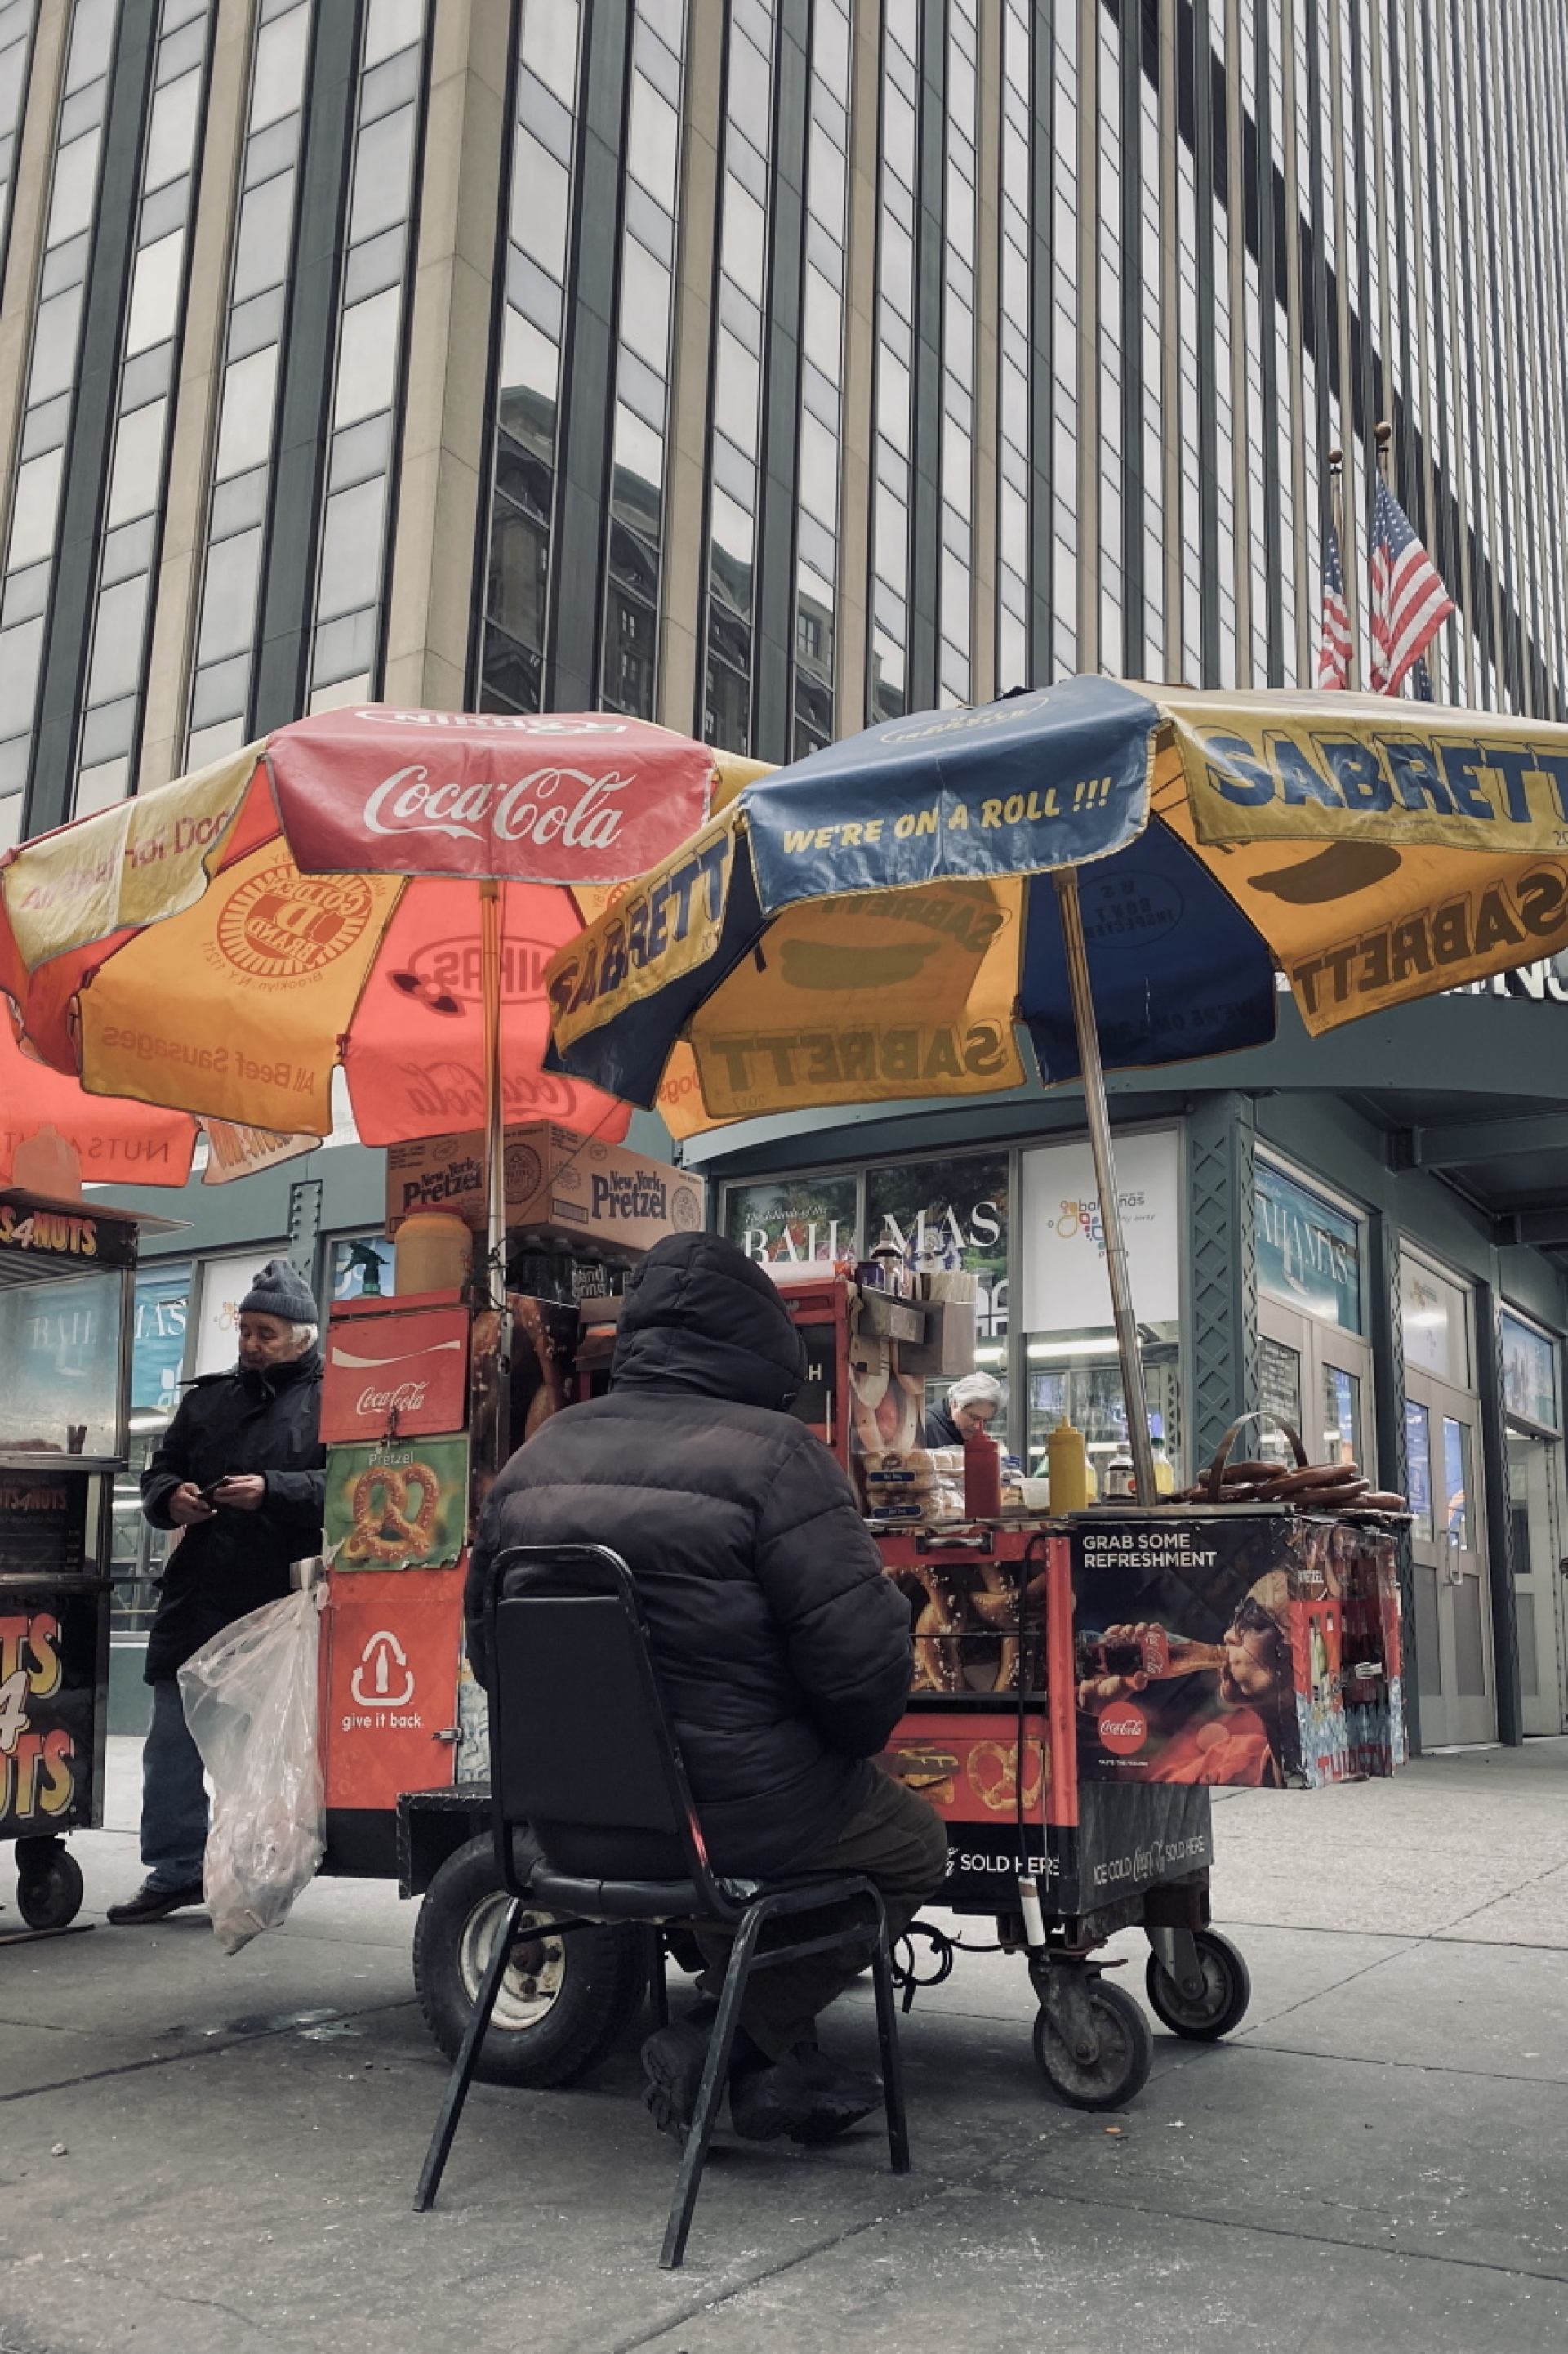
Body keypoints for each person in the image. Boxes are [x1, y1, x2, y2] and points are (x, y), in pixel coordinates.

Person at [466, 1230, 948, 2146]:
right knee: (912, 1841)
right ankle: (721, 2038)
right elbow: (863, 1684)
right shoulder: (779, 1457)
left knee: (759, 1829)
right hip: (732, 1819)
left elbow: (494, 1662)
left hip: (561, 1828)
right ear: (764, 1346)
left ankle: (776, 2078)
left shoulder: (531, 1465)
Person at [107, 1260, 327, 1926]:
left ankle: (262, 1872)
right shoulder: (207, 1399)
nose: (251, 1343)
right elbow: (161, 1468)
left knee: (260, 1753)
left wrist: (274, 1491)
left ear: (302, 1335)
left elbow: (353, 1485)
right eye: (246, 1330)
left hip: (274, 1604)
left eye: (266, 1332)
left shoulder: (335, 1398)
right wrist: (168, 1498)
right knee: (173, 1743)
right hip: (197, 1595)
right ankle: (175, 1870)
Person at [923, 1369, 1003, 1450]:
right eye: (973, 1417)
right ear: (954, 1403)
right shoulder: (926, 1427)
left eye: (985, 1421)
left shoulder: (965, 1430)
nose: (978, 1427)